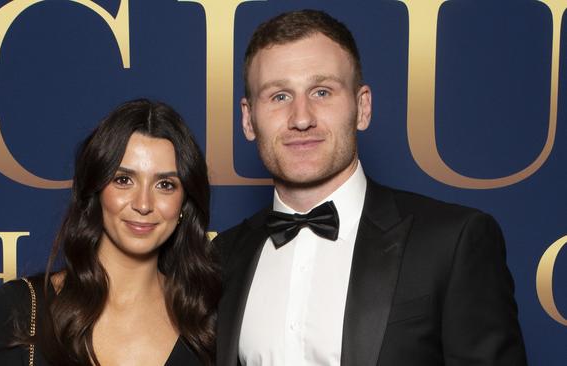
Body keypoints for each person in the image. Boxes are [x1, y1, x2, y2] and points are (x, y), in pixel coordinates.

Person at [214, 9, 527, 366]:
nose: (301, 118)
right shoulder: (222, 257)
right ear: (248, 118)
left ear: (362, 107)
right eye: (279, 96)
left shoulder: (452, 242)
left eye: (322, 91)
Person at [0, 99, 220, 366]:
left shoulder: (209, 321)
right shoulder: (23, 308)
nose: (143, 204)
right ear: (96, 189)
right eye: (123, 180)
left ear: (184, 203)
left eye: (165, 184)